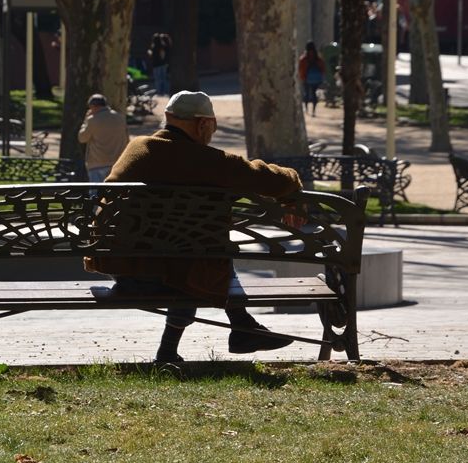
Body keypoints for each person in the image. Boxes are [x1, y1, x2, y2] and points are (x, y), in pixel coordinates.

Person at [84, 90, 304, 363]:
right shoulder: (209, 161)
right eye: (213, 126)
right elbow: (273, 180)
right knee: (200, 250)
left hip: (124, 271)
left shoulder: (136, 149)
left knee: (190, 247)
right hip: (171, 275)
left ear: (168, 118)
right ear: (203, 124)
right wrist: (293, 186)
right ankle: (240, 325)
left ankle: (187, 345)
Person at [77, 93, 129, 182]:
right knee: (115, 193)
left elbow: (82, 138)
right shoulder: (120, 118)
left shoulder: (92, 120)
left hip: (97, 163)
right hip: (117, 162)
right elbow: (127, 138)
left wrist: (86, 120)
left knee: (96, 193)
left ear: (93, 106)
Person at [298, 41, 326, 116]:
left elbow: (301, 68)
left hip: (306, 78)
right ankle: (314, 110)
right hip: (316, 79)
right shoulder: (317, 58)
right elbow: (322, 67)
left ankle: (306, 109)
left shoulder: (304, 58)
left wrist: (302, 77)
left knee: (306, 93)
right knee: (314, 94)